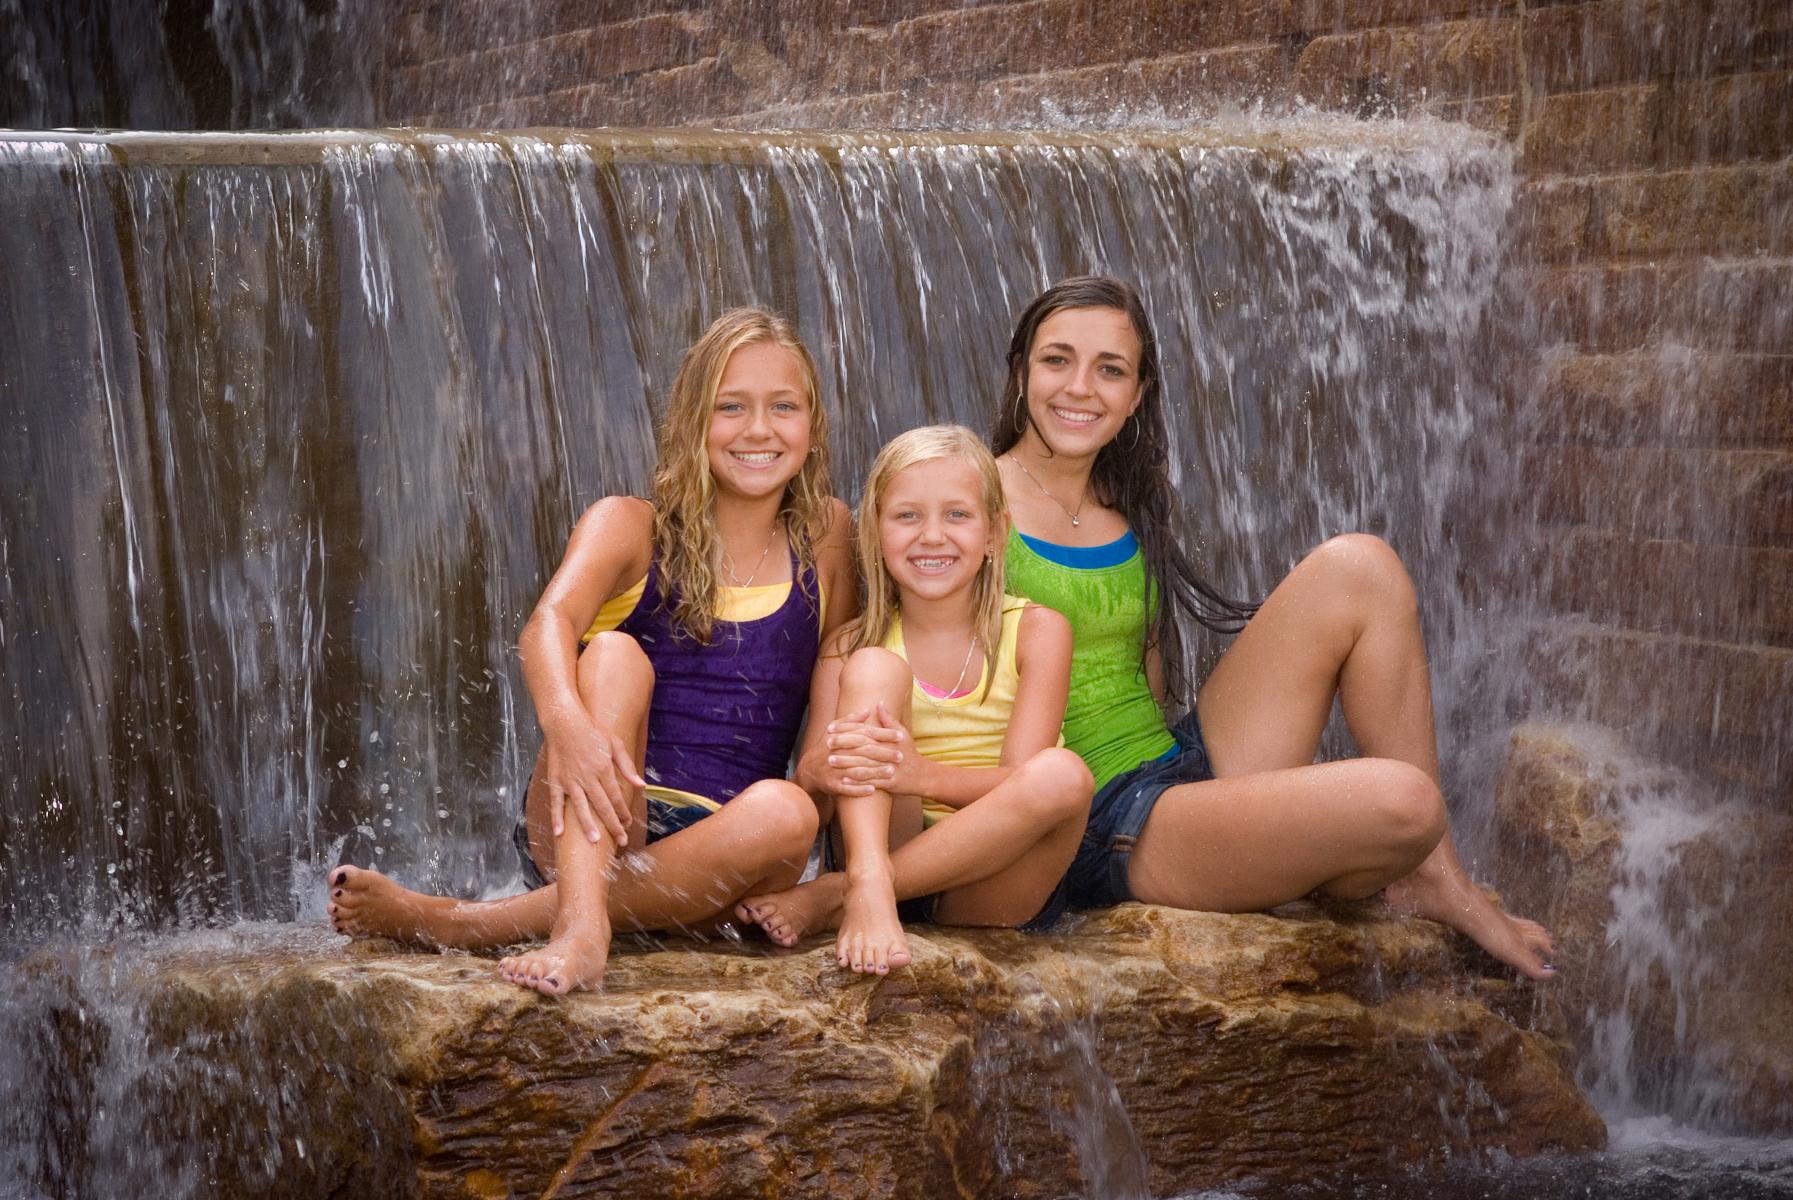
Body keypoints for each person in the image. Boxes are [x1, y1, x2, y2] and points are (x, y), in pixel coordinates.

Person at [988, 275, 1556, 979]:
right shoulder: (969, 502)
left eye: (1109, 369)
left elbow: (1147, 677)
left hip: (1172, 775)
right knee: (1405, 802)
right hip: (1096, 827)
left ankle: (1436, 876)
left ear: (1135, 397)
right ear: (1019, 373)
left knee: (1363, 566)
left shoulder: (1124, 507)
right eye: (1056, 360)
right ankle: (1353, 854)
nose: (1079, 387)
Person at [327, 308, 856, 994]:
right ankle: (580, 925)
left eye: (783, 407)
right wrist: (567, 725)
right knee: (610, 654)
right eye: (731, 407)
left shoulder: (827, 534)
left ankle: (462, 922)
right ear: (692, 422)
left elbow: (832, 682)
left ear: (812, 428)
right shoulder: (629, 525)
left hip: (735, 847)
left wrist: (833, 857)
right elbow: (546, 623)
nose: (758, 430)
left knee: (787, 809)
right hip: (593, 817)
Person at [737, 425, 1093, 975]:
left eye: (957, 515)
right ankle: (867, 881)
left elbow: (1024, 780)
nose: (932, 536)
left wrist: (919, 775)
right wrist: (823, 767)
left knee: (1065, 776)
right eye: (907, 516)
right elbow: (814, 796)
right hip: (882, 841)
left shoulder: (1037, 630)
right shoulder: (850, 645)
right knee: (875, 666)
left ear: (996, 532)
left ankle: (843, 891)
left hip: (993, 878)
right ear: (875, 535)